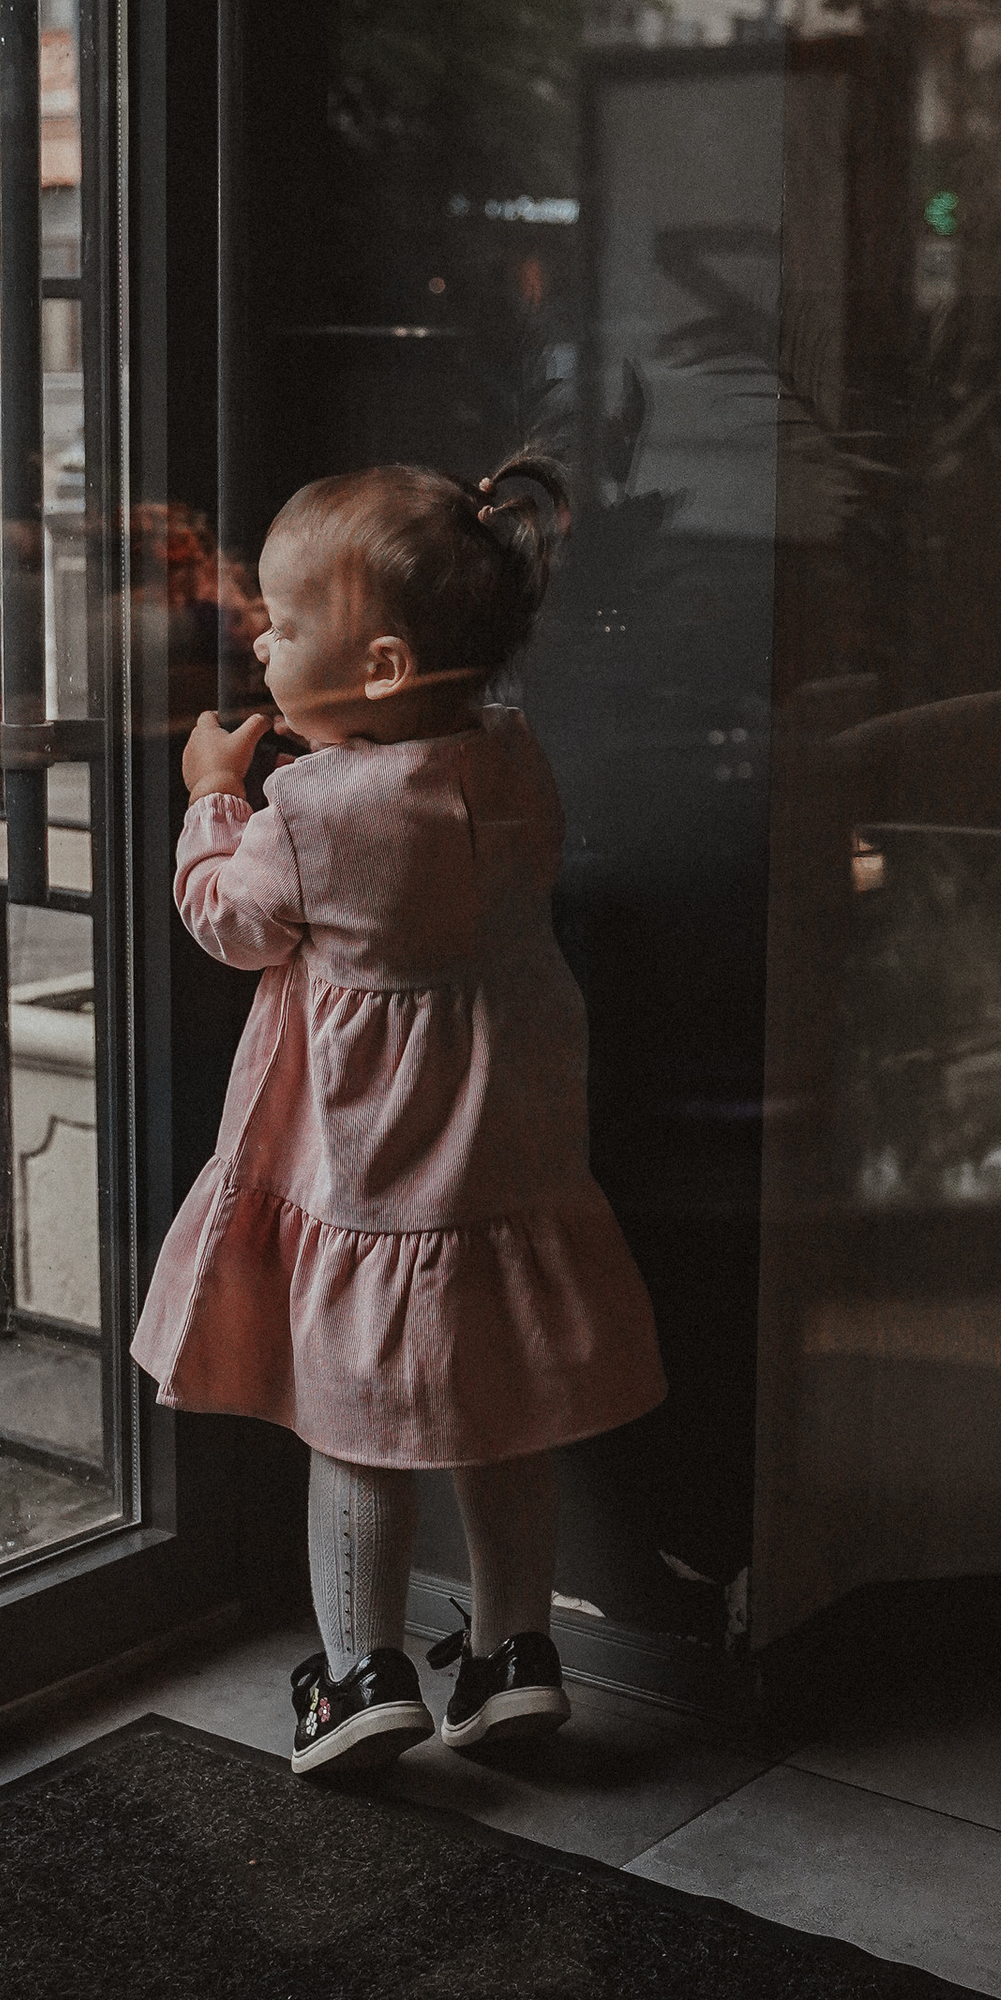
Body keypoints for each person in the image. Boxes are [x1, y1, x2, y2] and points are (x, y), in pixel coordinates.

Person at [132, 450, 665, 1775]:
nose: (260, 640)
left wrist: (211, 795)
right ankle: (513, 1654)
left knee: (356, 1420)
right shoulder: (512, 755)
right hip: (511, 1147)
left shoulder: (309, 811)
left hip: (377, 1162)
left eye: (285, 621)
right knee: (505, 1409)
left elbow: (232, 926)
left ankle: (361, 1676)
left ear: (376, 666)